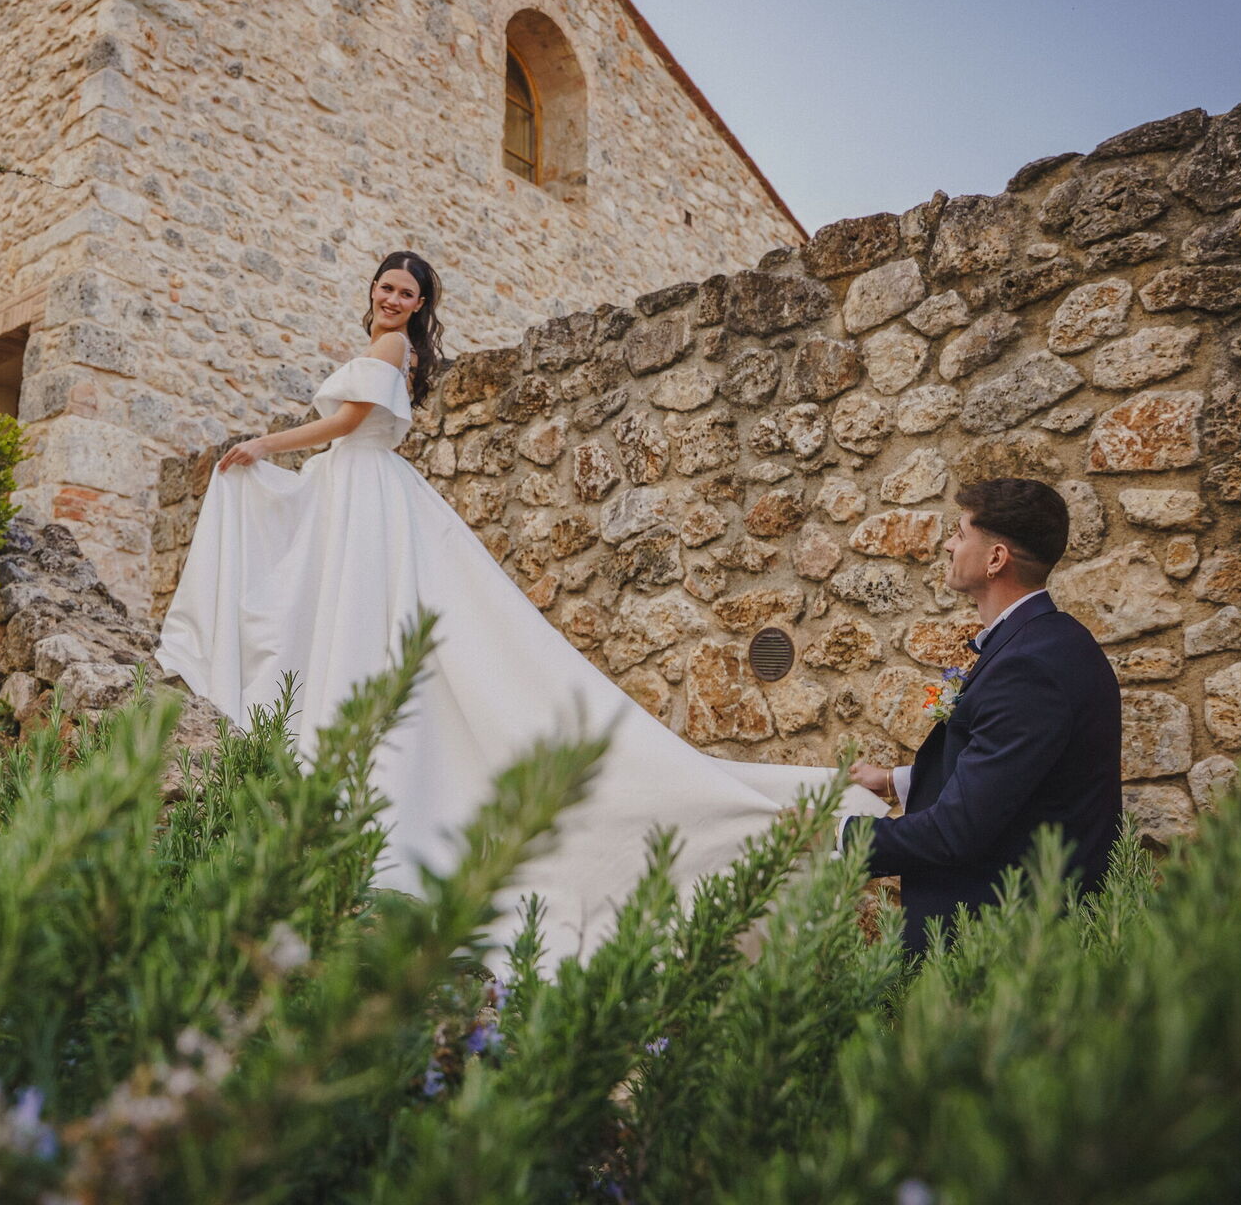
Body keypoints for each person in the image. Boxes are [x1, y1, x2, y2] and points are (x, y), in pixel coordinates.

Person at [157, 250, 884, 966]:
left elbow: (348, 422)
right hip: (359, 492)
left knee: (359, 620)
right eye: (385, 287)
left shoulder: (391, 348)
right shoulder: (394, 348)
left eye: (405, 292)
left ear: (419, 305)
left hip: (363, 488)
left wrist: (265, 444)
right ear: (372, 289)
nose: (391, 299)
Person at [841, 479, 1123, 956]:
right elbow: (1014, 776)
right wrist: (895, 781)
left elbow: (955, 833)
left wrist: (835, 834)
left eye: (959, 533)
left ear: (995, 559)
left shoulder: (1030, 667)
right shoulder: (1045, 641)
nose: (948, 545)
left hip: (1006, 947)